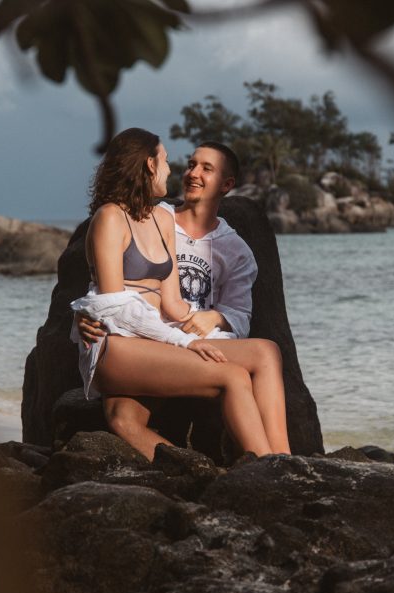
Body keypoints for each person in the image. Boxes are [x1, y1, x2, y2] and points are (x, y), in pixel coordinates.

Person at [71, 128, 290, 458]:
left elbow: (173, 304)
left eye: (204, 167)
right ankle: (266, 469)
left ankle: (283, 460)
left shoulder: (162, 219)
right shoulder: (109, 218)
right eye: (169, 161)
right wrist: (188, 343)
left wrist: (209, 328)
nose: (176, 171)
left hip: (159, 338)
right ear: (148, 164)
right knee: (230, 376)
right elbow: (113, 305)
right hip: (119, 342)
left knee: (265, 351)